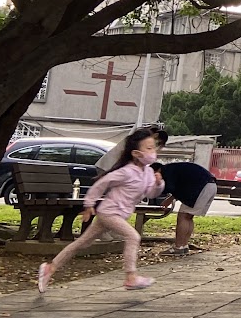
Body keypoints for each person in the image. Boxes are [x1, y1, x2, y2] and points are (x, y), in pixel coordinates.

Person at [38, 125, 165, 293]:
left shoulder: (147, 173)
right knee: (133, 236)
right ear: (136, 153)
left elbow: (150, 192)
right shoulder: (126, 172)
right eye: (148, 148)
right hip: (109, 213)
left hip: (117, 215)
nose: (153, 151)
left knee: (82, 243)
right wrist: (89, 205)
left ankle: (49, 268)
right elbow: (101, 184)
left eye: (153, 147)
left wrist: (158, 184)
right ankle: (131, 276)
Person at [152, 160, 218, 254]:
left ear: (157, 171)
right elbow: (178, 187)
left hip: (200, 187)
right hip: (210, 185)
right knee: (188, 217)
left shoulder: (166, 171)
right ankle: (184, 245)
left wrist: (157, 186)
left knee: (183, 216)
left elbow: (170, 188)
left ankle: (178, 247)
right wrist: (170, 199)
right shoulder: (173, 169)